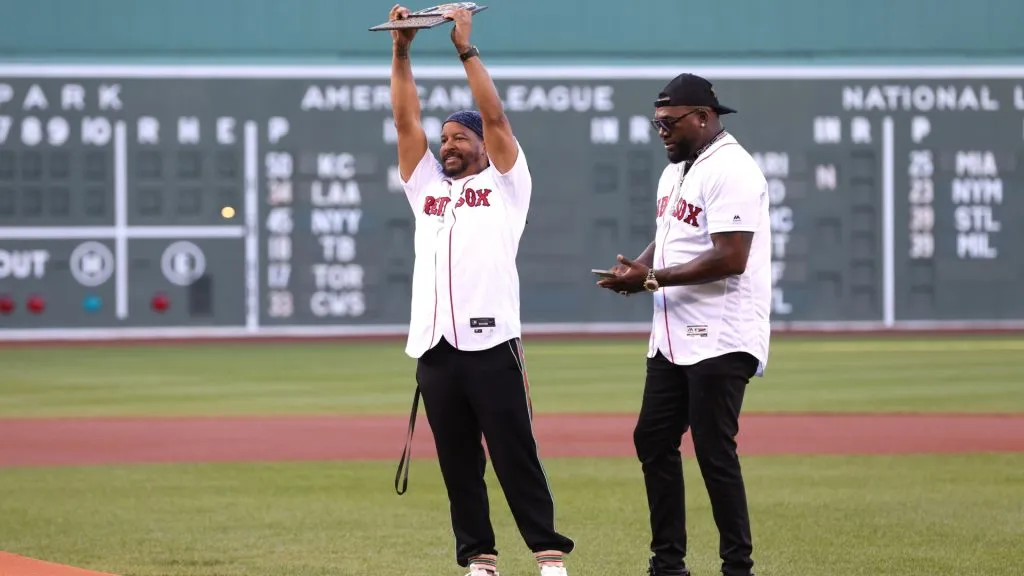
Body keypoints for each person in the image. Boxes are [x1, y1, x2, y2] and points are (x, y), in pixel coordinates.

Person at [387, 5, 574, 576]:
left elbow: (495, 117)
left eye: (460, 136)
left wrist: (464, 48)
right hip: (436, 349)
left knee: (515, 456)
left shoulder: (504, 183)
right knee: (457, 464)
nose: (448, 145)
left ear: (483, 144)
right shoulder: (427, 189)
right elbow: (403, 122)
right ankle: (479, 559)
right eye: (444, 137)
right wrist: (402, 49)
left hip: (493, 346)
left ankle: (547, 556)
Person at [595, 73, 772, 576]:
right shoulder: (675, 172)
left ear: (704, 117)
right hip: (673, 335)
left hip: (721, 332)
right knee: (652, 438)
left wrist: (650, 278)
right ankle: (668, 564)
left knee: (715, 452)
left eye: (671, 123)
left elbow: (731, 258)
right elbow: (670, 236)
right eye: (657, 124)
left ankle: (738, 566)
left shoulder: (733, 169)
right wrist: (639, 269)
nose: (663, 132)